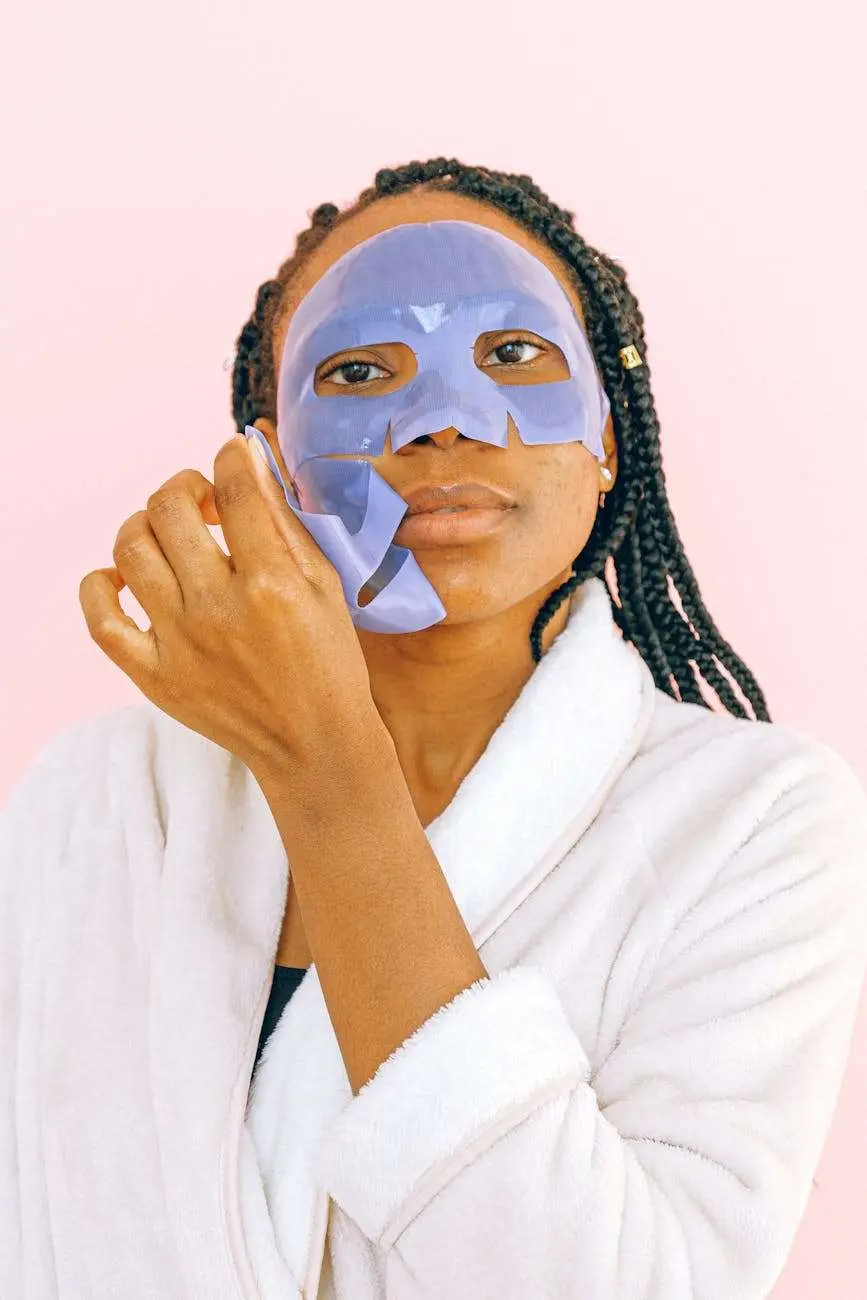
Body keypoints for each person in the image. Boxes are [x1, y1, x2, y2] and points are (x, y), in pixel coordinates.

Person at [2, 157, 866, 1300]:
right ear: (270, 462)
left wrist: (326, 769)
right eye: (359, 372)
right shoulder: (94, 799)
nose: (443, 421)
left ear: (609, 434)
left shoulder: (758, 823)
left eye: (514, 354)